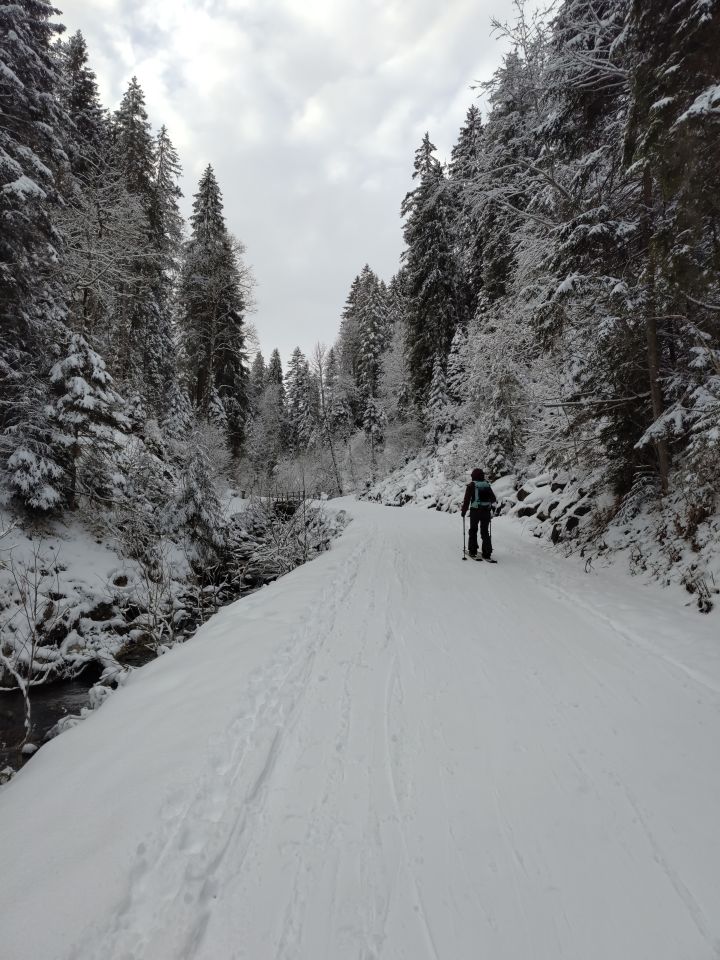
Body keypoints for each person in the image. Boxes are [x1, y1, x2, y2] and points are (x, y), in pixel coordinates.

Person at [461, 468, 497, 560]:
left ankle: (472, 550)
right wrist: (492, 509)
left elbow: (466, 500)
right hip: (486, 511)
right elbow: (493, 499)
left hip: (475, 511)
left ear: (473, 476)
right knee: (485, 531)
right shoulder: (487, 485)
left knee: (473, 530)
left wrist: (463, 511)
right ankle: (487, 552)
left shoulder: (471, 485)